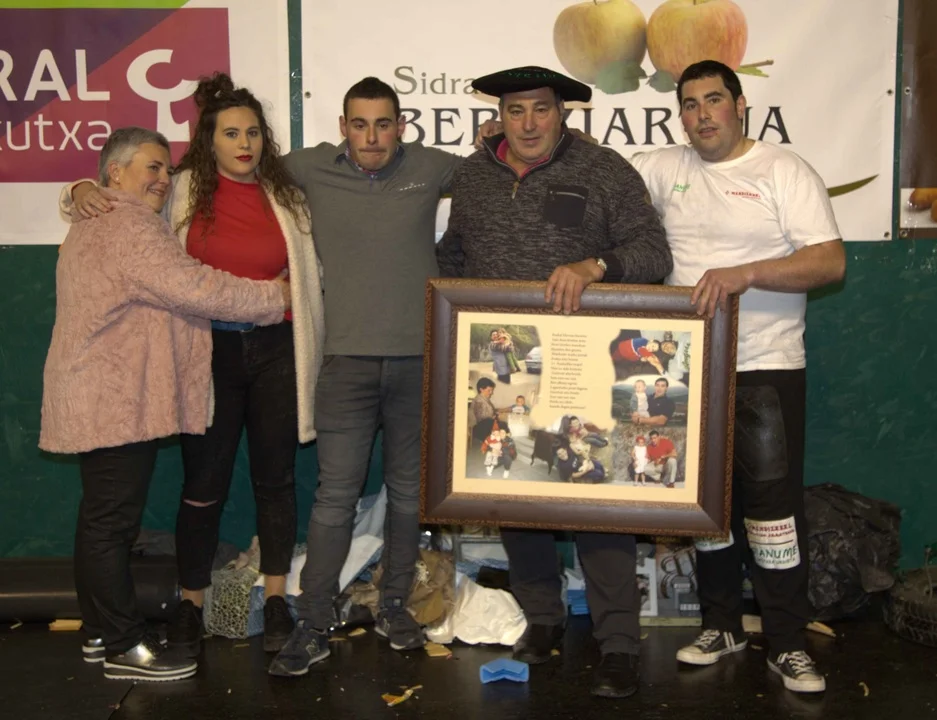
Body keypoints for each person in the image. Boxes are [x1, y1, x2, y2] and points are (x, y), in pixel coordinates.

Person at [61, 73, 325, 656]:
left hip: (278, 350)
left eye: (253, 132)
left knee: (276, 480)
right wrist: (77, 189)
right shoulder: (175, 190)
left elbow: (311, 272)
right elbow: (117, 205)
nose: (244, 143)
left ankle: (276, 597)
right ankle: (191, 602)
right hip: (208, 353)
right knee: (203, 484)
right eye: (230, 133)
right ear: (208, 140)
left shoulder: (289, 196)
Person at [436, 65, 672, 699]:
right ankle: (542, 619)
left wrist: (595, 264)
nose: (529, 122)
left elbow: (654, 252)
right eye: (515, 111)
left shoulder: (604, 170)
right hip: (508, 365)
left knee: (596, 496)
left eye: (541, 109)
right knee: (519, 488)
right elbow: (453, 255)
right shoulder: (473, 177)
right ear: (499, 116)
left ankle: (618, 642)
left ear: (562, 112)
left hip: (582, 360)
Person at [629, 60, 846, 693]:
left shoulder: (783, 171)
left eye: (714, 100)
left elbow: (829, 262)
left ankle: (787, 642)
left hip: (765, 368)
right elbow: (595, 170)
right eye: (690, 104)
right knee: (708, 508)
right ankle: (721, 625)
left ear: (740, 105)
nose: (702, 115)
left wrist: (744, 274)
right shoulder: (662, 168)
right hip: (688, 370)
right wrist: (510, 142)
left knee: (772, 512)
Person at [268, 76, 464, 677]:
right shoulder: (308, 168)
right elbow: (225, 169)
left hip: (418, 363)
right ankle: (312, 621)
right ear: (343, 128)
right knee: (335, 496)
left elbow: (504, 172)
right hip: (345, 364)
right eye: (360, 125)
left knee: (407, 495)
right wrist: (84, 187)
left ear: (401, 126)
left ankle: (395, 606)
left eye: (383, 124)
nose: (372, 137)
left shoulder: (432, 167)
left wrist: (499, 141)